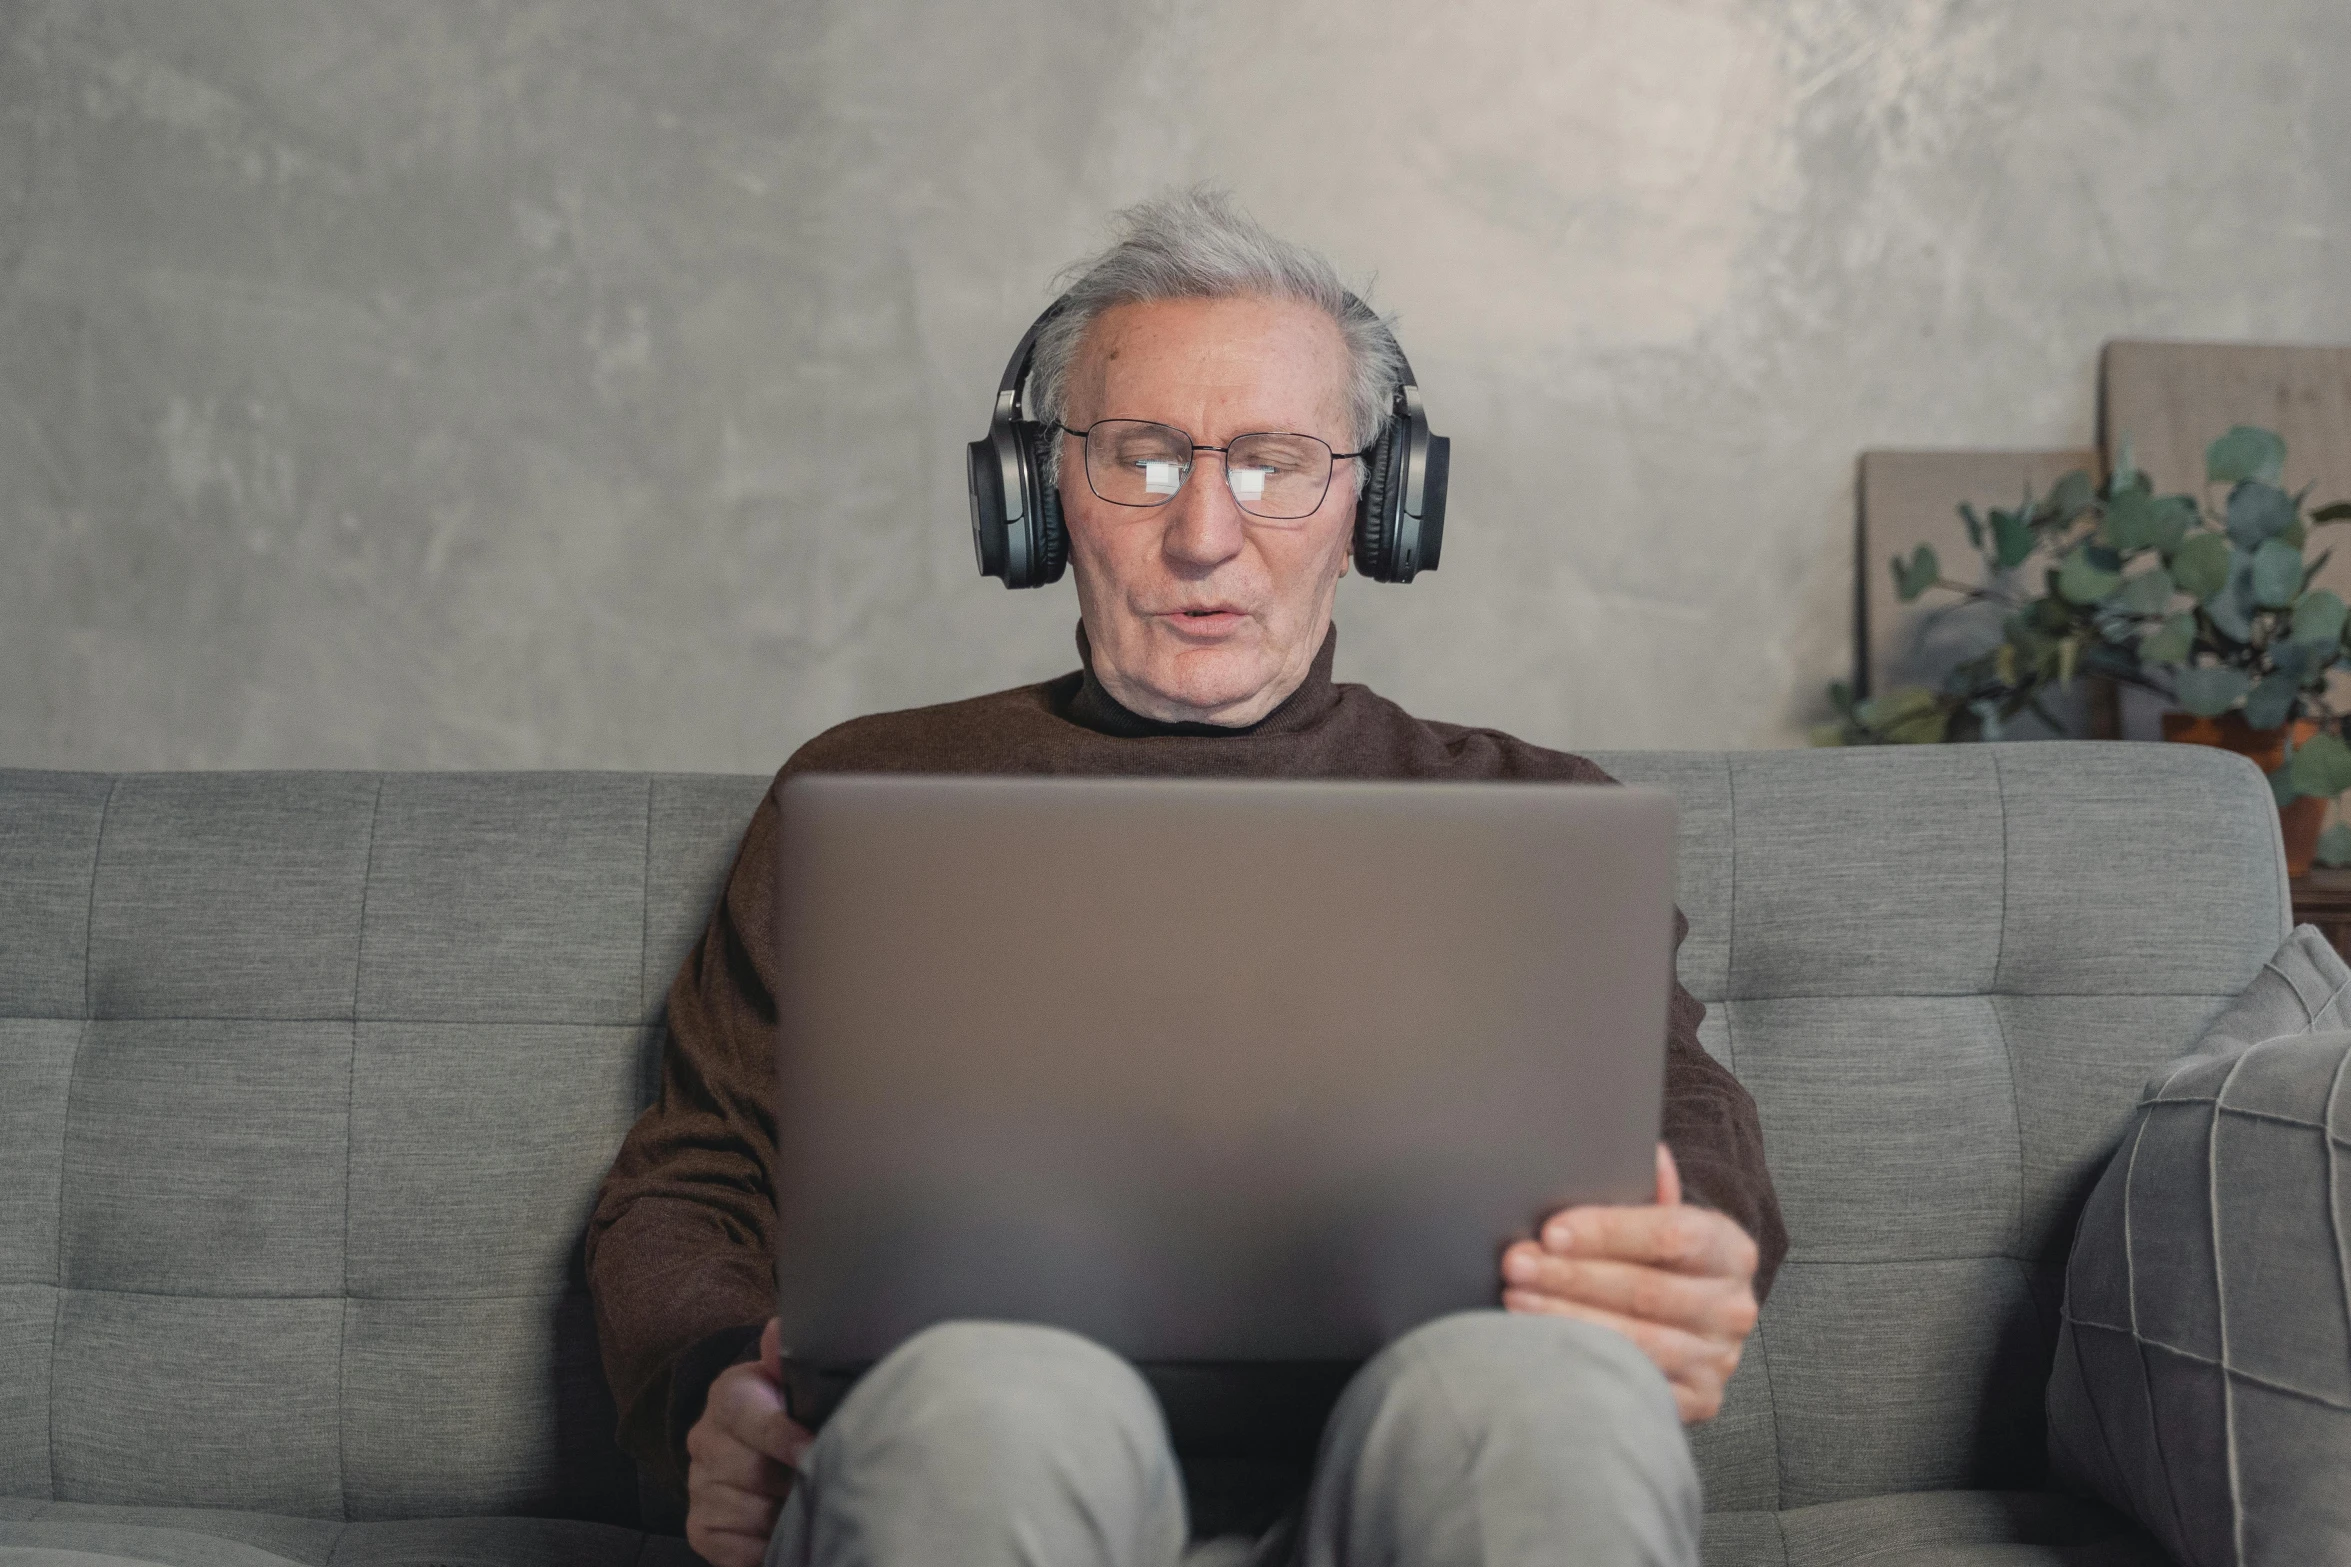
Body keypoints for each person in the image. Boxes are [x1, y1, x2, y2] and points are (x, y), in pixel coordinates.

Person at [586, 188, 1787, 1567]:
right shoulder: (861, 797)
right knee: (988, 1399)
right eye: (1143, 458)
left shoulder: (1527, 814)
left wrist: (1684, 1248)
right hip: (987, 1472)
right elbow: (692, 1182)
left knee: (1544, 1405)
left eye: (1275, 461)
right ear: (1037, 493)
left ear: (1375, 505)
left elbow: (1690, 1124)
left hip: (1415, 1477)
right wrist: (716, 1386)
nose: (1205, 533)